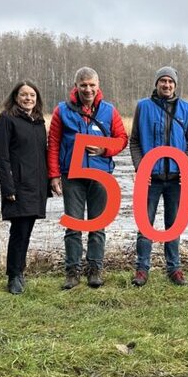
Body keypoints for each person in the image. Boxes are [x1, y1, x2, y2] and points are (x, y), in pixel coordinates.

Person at [47, 66, 128, 289]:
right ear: (76, 86)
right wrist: (54, 175)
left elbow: (122, 139)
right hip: (71, 176)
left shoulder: (109, 111)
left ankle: (95, 270)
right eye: (83, 85)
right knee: (73, 225)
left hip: (101, 176)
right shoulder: (62, 110)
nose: (88, 89)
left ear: (98, 86)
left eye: (92, 85)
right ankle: (72, 272)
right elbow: (52, 143)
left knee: (98, 224)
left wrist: (104, 150)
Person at [128, 66, 188, 287]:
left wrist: (186, 168)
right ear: (156, 84)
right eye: (163, 81)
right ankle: (142, 269)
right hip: (150, 178)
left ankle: (174, 268)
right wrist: (141, 167)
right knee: (145, 223)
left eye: (170, 82)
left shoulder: (186, 109)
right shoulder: (143, 107)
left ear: (175, 85)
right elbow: (135, 141)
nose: (166, 85)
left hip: (176, 179)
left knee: (173, 224)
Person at [0, 81, 50, 294]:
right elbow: (2, 157)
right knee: (19, 231)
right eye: (24, 95)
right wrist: (8, 189)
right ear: (15, 97)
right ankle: (14, 276)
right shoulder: (7, 119)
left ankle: (20, 272)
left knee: (27, 231)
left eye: (32, 95)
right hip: (18, 187)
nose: (28, 99)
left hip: (36, 186)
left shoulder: (38, 121)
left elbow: (42, 154)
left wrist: (48, 184)